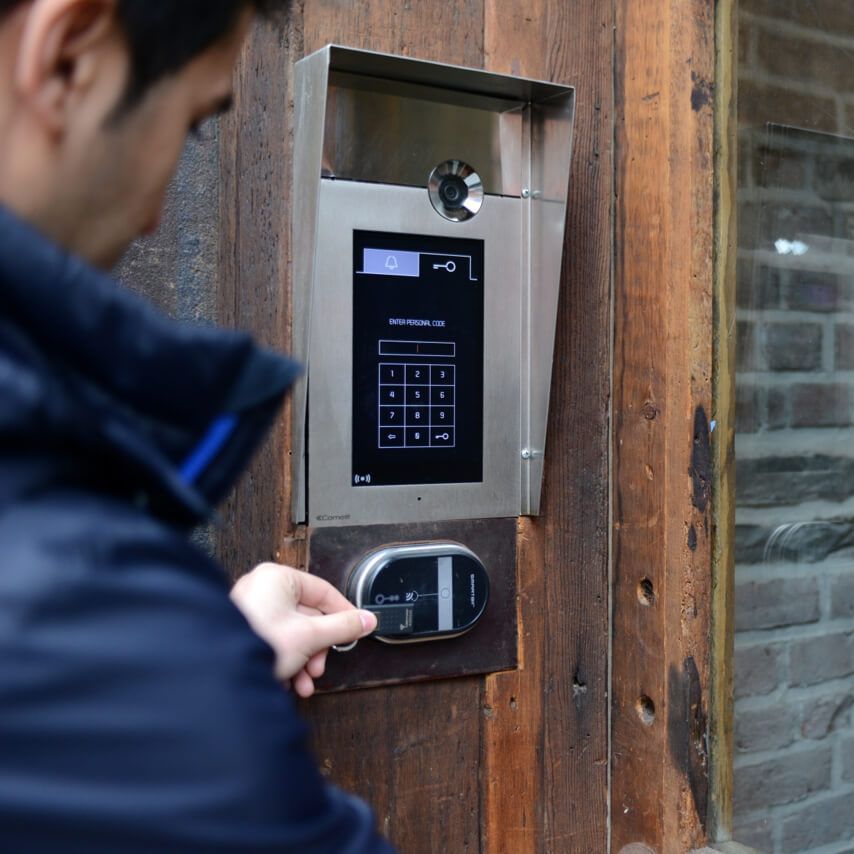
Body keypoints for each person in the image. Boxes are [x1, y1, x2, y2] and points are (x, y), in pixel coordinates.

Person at [0, 1, 393, 850]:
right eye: (191, 124)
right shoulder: (88, 611)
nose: (151, 215)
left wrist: (217, 651)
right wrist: (185, 666)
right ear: (67, 54)